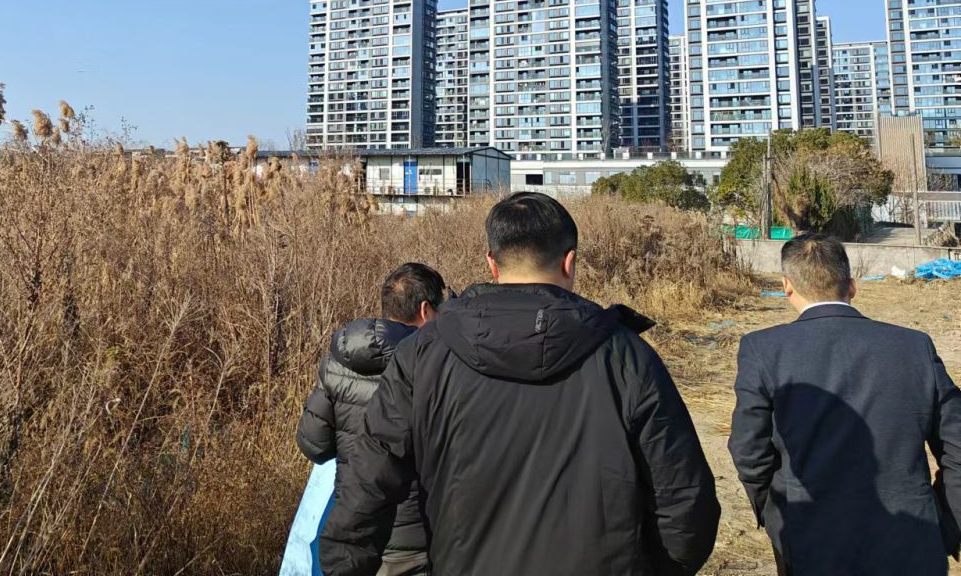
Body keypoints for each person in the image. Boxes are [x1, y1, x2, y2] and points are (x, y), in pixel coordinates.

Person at [318, 192, 719, 576]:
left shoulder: (422, 355)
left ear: (491, 263)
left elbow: (367, 485)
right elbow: (686, 506)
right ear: (570, 262)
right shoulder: (627, 357)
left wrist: (346, 566)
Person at [729, 234, 961, 576]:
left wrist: (778, 515)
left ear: (787, 286)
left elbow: (749, 451)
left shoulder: (763, 349)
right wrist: (947, 523)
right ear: (852, 285)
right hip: (911, 542)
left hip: (810, 543)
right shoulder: (914, 347)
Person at [297, 262, 445, 576]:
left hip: (357, 533)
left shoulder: (336, 365)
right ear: (425, 310)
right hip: (419, 537)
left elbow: (314, 446)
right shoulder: (435, 366)